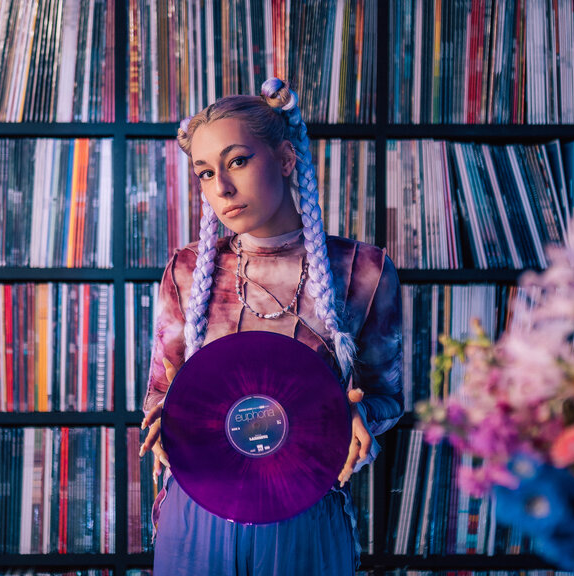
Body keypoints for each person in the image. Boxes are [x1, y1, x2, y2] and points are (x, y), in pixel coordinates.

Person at [138, 77, 403, 575]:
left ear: (284, 159)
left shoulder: (363, 270)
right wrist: (163, 419)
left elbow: (387, 396)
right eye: (205, 172)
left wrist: (355, 416)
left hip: (305, 515)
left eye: (237, 161)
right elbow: (158, 392)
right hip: (197, 513)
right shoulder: (186, 270)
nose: (221, 187)